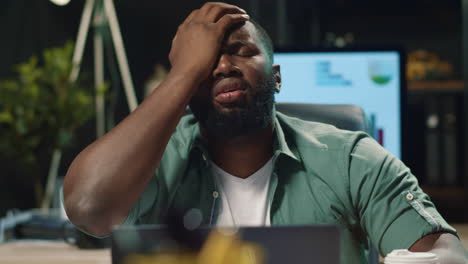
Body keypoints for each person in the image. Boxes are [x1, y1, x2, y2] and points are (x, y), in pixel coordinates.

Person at [63, 2, 467, 263]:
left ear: (276, 78)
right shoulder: (153, 166)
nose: (222, 67)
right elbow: (87, 207)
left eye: (241, 51)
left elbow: (443, 250)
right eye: (206, 62)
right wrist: (184, 73)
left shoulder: (351, 158)